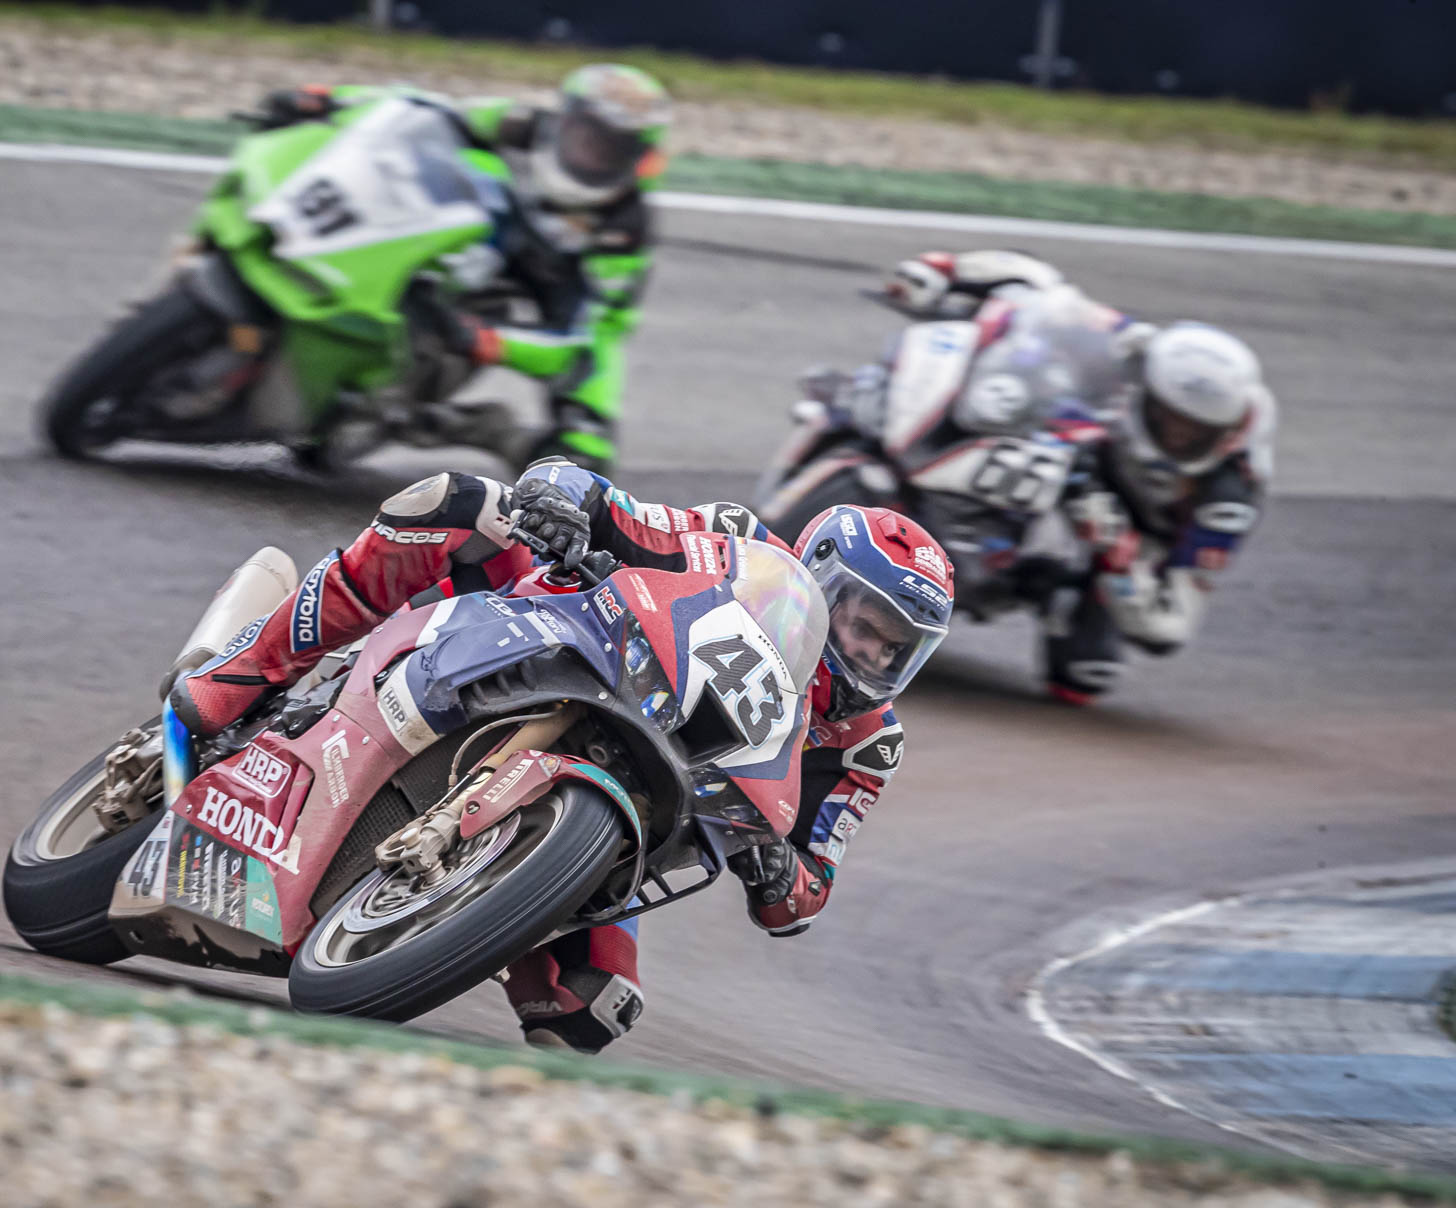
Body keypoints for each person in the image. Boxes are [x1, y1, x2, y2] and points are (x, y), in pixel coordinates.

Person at [173, 460, 953, 1052]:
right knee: (459, 504)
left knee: (588, 1011)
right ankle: (240, 674)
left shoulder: (867, 744)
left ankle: (455, 907)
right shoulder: (739, 544)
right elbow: (620, 510)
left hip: (639, 812)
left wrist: (780, 872)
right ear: (821, 581)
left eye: (897, 650)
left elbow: (808, 892)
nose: (872, 657)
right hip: (562, 642)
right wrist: (562, 495)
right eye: (865, 625)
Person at [870, 250, 1276, 704]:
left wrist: (1115, 543)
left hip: (1131, 536)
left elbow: (1169, 627)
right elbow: (1039, 284)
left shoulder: (1226, 499)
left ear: (1225, 435)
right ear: (1146, 389)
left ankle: (1036, 586)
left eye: (1194, 432)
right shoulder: (1135, 349)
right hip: (1089, 451)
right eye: (1168, 418)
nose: (1178, 435)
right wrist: (947, 268)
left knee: (1083, 675)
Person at [250, 64, 671, 473]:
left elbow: (596, 334)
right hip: (453, 226)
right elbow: (424, 107)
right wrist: (328, 99)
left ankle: (445, 419)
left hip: (525, 283)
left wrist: (490, 341)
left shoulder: (622, 233)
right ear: (562, 120)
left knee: (583, 444)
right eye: (582, 135)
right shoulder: (520, 124)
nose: (587, 153)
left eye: (606, 149)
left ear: (637, 160)